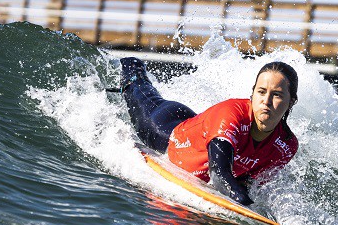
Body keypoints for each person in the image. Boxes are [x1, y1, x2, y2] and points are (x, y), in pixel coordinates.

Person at [121, 57, 299, 206]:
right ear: (252, 94)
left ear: (291, 102)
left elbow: (249, 182)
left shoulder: (287, 145)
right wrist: (244, 204)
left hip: (199, 127)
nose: (266, 101)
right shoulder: (232, 114)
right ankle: (132, 64)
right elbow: (219, 173)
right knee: (136, 87)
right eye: (261, 92)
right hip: (164, 130)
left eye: (277, 95)